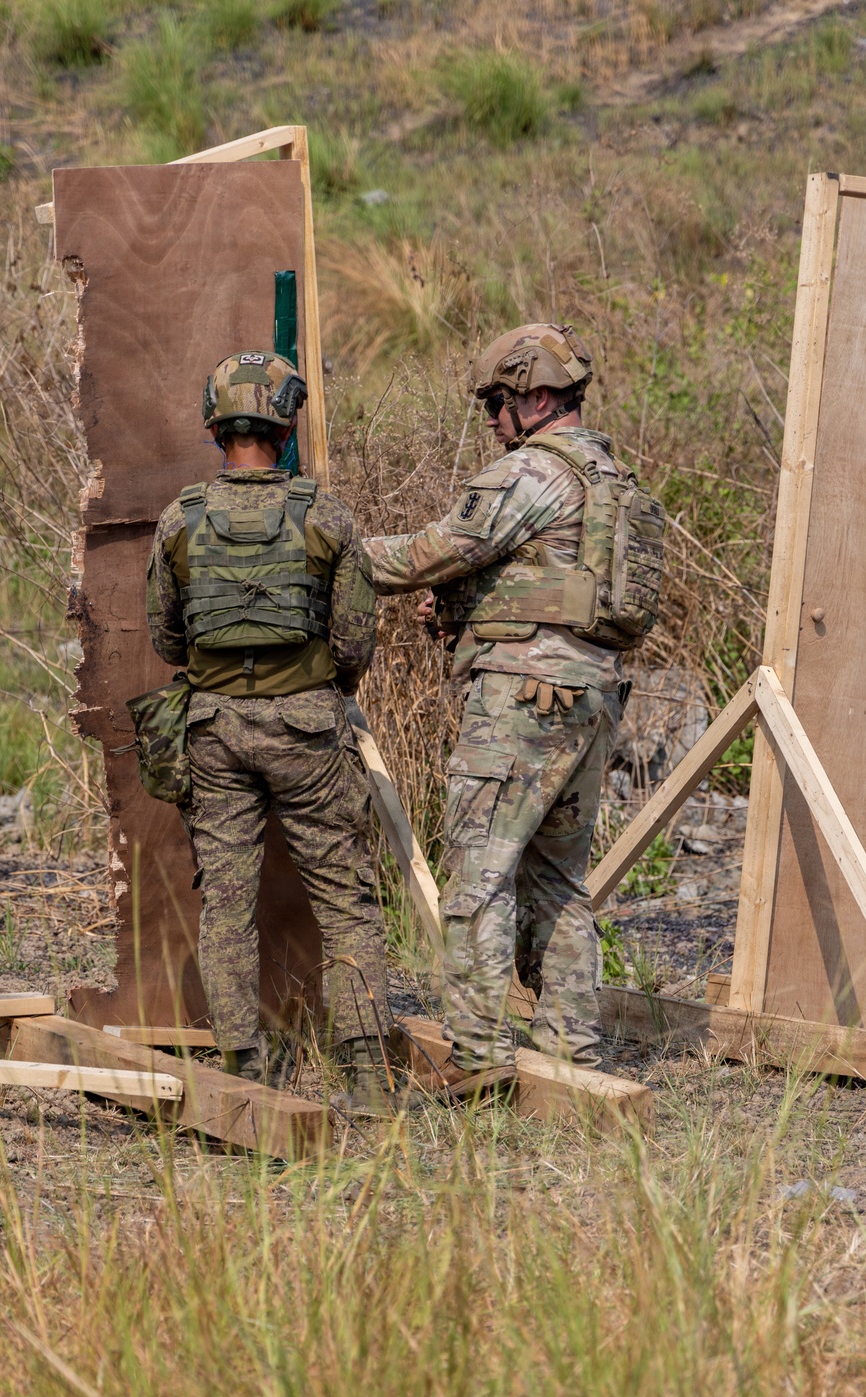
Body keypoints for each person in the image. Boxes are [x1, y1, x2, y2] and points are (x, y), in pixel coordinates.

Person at [365, 324, 663, 1072]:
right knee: (560, 881)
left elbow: (430, 550)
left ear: (535, 396)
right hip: (592, 697)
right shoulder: (608, 476)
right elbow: (545, 582)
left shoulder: (530, 473)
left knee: (478, 871)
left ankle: (481, 1054)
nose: (492, 421)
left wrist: (332, 546)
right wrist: (464, 606)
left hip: (524, 700)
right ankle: (571, 1048)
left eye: (497, 403)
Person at [147, 350, 393, 1112]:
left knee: (226, 899)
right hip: (309, 730)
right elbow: (355, 642)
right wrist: (316, 687)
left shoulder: (178, 519)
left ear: (216, 427)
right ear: (284, 426)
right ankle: (366, 1081)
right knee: (346, 900)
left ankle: (244, 1075)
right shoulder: (326, 515)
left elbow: (165, 638)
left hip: (216, 730)